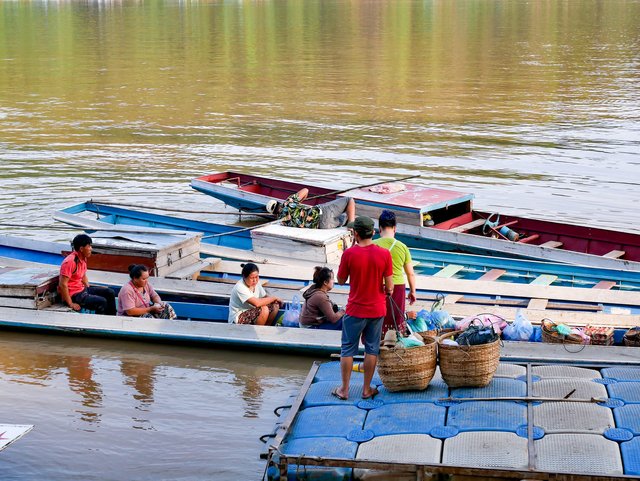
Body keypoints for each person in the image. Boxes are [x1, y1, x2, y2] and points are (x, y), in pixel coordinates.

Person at [332, 216, 393, 401]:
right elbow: (390, 287)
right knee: (372, 349)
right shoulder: (384, 254)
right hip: (377, 310)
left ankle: (344, 390)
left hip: (355, 310)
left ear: (355, 233)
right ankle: (366, 389)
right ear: (373, 233)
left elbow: (341, 280)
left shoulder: (349, 254)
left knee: (348, 349)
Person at [373, 209, 417, 337]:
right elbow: (410, 274)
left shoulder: (373, 245)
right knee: (396, 318)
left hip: (378, 286)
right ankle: (396, 342)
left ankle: (379, 341)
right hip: (397, 287)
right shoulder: (402, 247)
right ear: (395, 228)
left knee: (379, 318)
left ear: (380, 228)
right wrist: (412, 291)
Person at [59, 234, 116, 315]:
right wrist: (71, 303)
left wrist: (89, 290)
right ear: (81, 249)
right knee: (101, 302)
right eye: (89, 246)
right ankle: (100, 324)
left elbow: (83, 276)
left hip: (82, 290)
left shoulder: (83, 258)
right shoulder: (70, 262)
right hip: (74, 295)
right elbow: (63, 284)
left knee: (110, 292)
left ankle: (112, 318)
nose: (91, 249)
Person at [266, 188, 356, 229]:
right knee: (349, 200)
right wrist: (299, 203)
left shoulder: (281, 222)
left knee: (345, 217)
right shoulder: (288, 202)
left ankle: (349, 224)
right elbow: (306, 190)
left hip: (323, 226)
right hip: (323, 212)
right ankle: (351, 225)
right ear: (278, 203)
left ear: (274, 214)